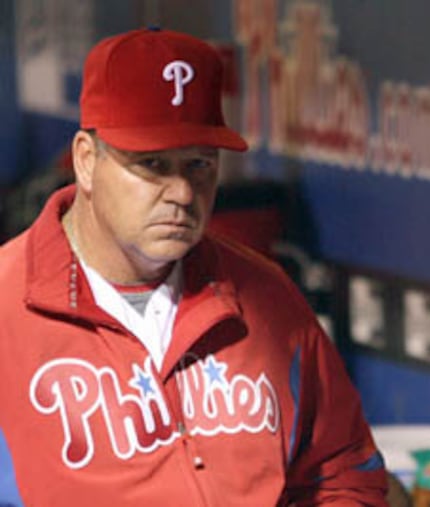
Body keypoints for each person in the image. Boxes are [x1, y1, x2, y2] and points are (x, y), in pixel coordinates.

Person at [0, 27, 388, 506]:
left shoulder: (265, 295)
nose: (183, 193)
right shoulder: (7, 305)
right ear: (84, 160)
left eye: (200, 164)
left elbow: (343, 472)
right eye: (153, 165)